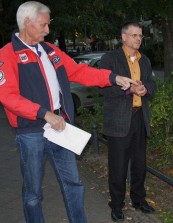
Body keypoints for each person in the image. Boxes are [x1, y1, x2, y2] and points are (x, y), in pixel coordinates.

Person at [0, 1, 136, 223]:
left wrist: (112, 78)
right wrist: (44, 113)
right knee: (33, 193)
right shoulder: (8, 54)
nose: (48, 30)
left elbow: (79, 71)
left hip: (61, 128)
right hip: (31, 132)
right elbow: (7, 96)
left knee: (73, 183)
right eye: (44, 24)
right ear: (27, 22)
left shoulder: (50, 50)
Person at [99, 22, 156, 222]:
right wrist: (129, 90)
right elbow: (104, 88)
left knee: (140, 163)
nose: (139, 39)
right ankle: (116, 205)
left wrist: (144, 89)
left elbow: (152, 85)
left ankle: (139, 200)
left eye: (140, 35)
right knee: (118, 166)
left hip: (140, 117)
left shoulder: (145, 61)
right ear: (123, 37)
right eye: (134, 35)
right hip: (118, 120)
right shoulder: (109, 59)